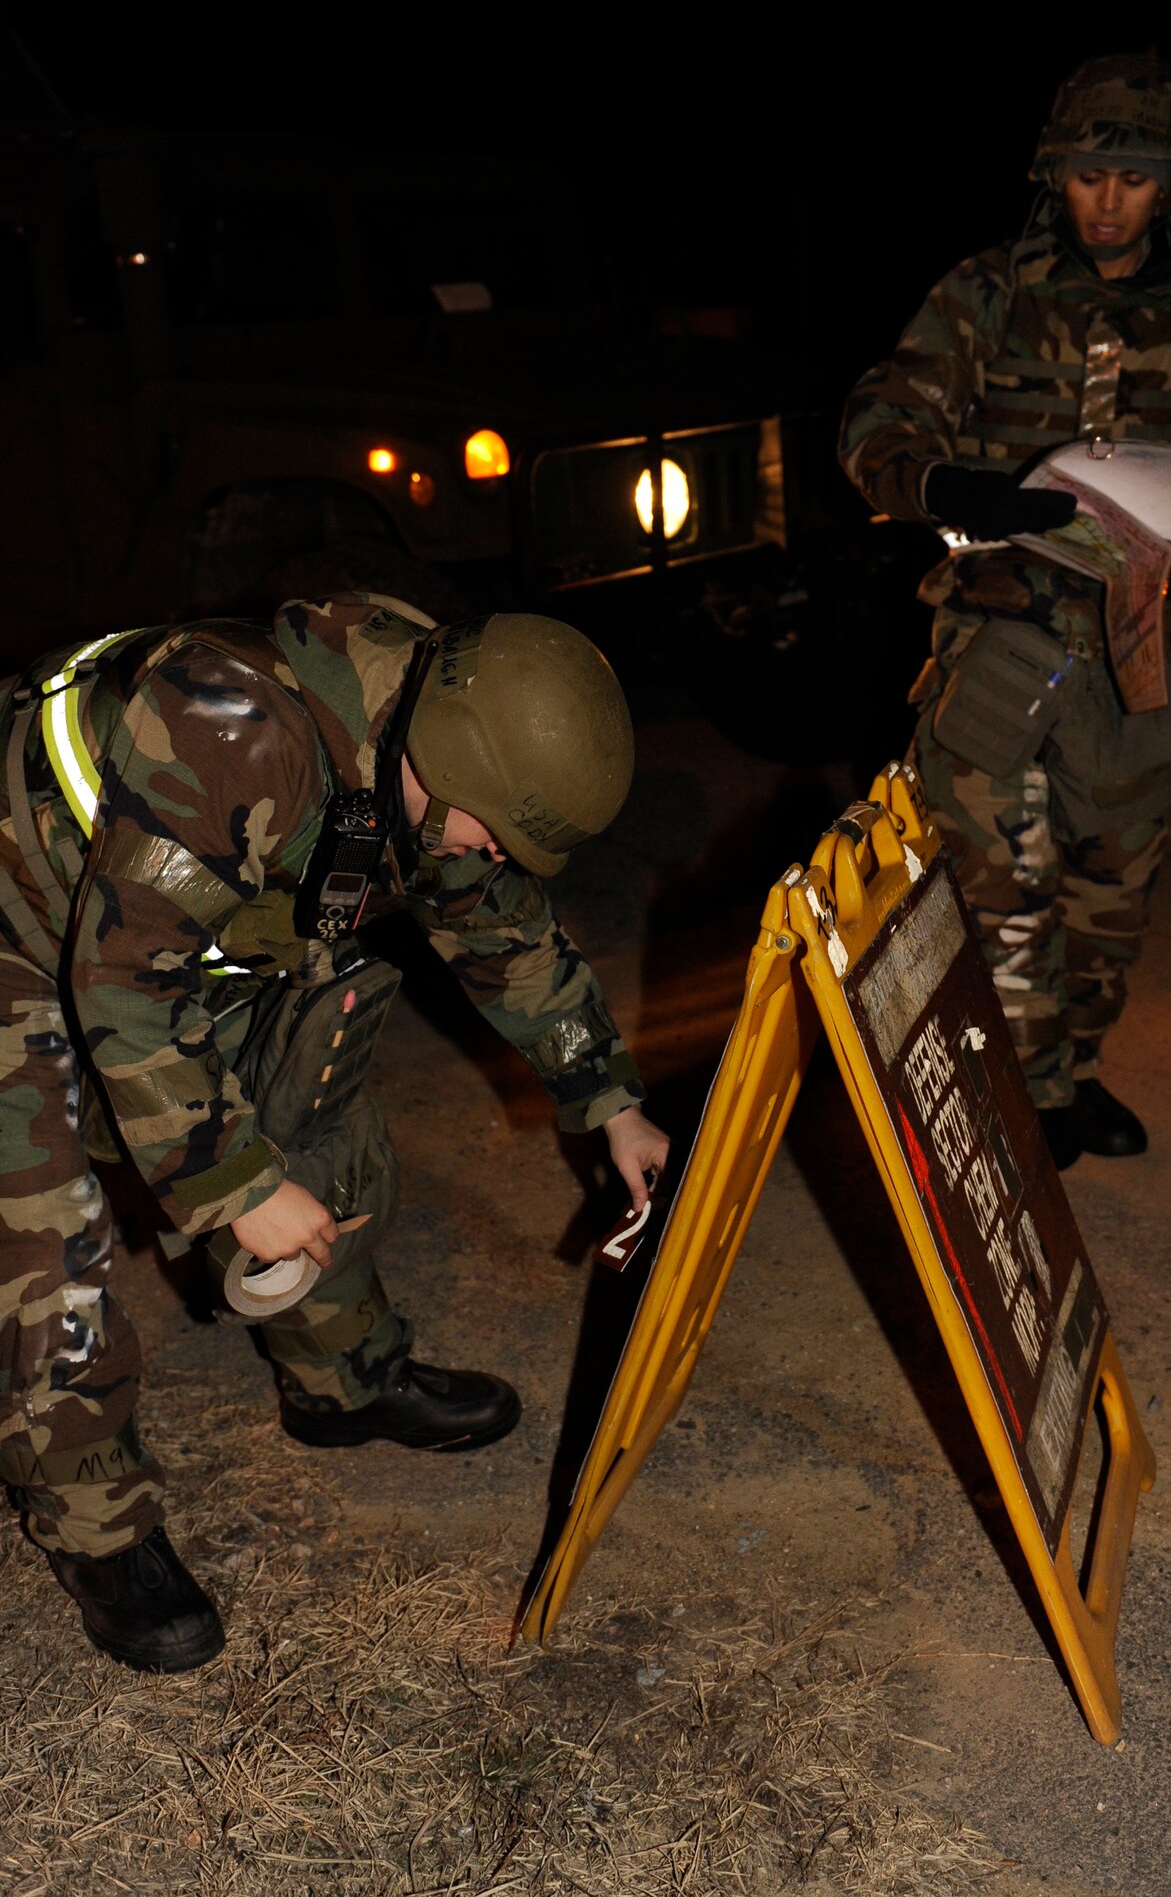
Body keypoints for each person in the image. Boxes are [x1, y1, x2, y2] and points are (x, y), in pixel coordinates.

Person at [0, 595, 669, 1672]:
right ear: (438, 766)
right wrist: (235, 1184)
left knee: (317, 1101)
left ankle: (342, 1380)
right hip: (16, 922)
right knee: (42, 1230)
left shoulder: (433, 747)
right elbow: (121, 988)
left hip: (153, 932)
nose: (487, 849)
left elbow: (501, 928)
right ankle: (102, 1533)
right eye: (487, 827)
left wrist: (609, 1100)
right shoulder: (226, 730)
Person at [838, 54, 1171, 1169]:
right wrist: (942, 486)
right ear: (1054, 174)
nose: (1106, 201)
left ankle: (1071, 1071)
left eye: (1133, 178)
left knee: (1110, 891)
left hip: (1133, 652)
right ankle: (1015, 1099)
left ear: (1169, 185)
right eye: (1088, 174)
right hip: (998, 636)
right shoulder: (985, 292)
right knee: (996, 894)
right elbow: (876, 420)